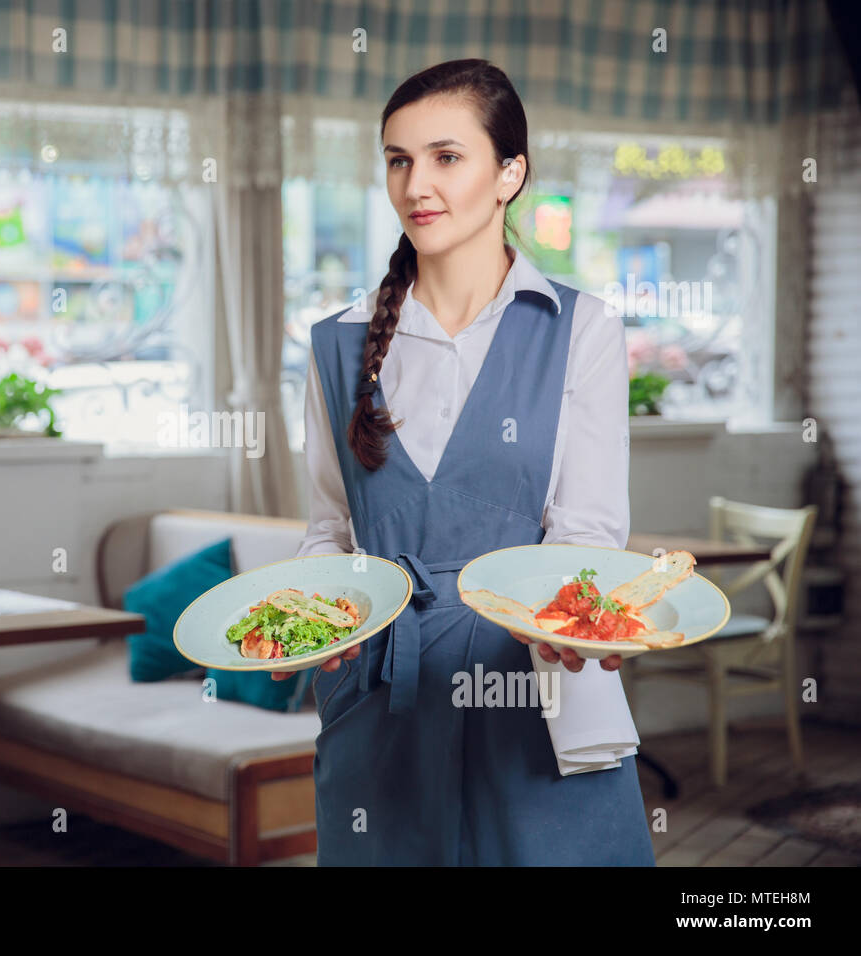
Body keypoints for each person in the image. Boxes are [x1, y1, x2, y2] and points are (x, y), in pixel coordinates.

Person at [273, 59, 655, 865]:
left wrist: (576, 624)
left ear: (510, 173)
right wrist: (319, 622)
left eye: (447, 157)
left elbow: (586, 532)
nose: (418, 184)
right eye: (398, 159)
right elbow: (331, 530)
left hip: (534, 692)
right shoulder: (337, 344)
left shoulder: (580, 329)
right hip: (383, 701)